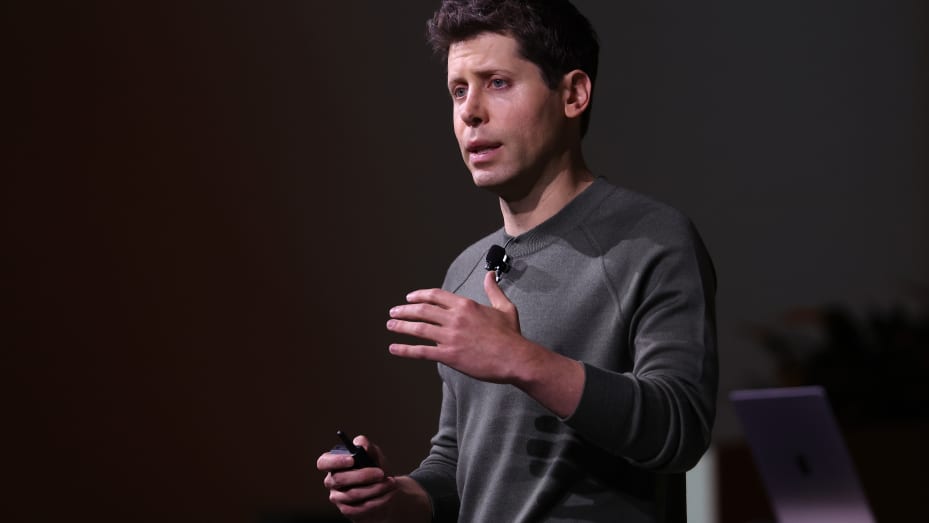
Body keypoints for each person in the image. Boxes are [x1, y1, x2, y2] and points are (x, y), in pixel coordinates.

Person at [316, 0, 718, 521]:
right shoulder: (466, 271)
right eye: (458, 90)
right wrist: (400, 497)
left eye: (497, 82)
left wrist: (522, 361)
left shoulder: (650, 239)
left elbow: (679, 430)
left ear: (573, 94)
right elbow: (458, 462)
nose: (470, 111)